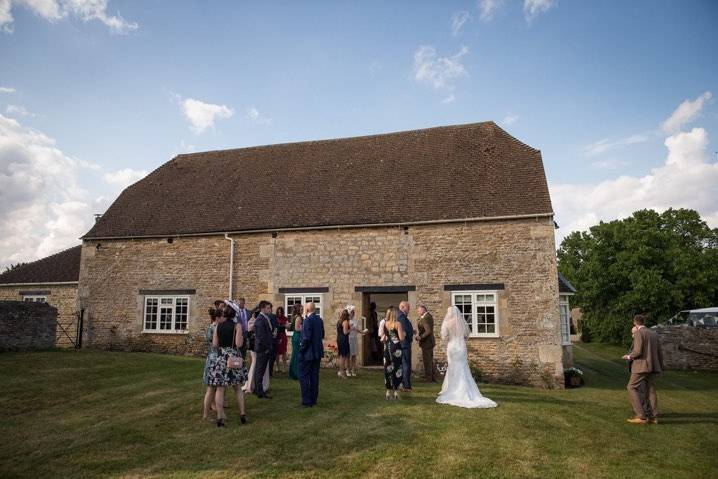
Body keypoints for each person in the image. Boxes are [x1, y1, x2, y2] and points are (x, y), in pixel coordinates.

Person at [436, 306, 497, 409]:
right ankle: (466, 389)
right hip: (461, 345)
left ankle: (453, 389)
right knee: (463, 366)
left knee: (452, 367)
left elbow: (444, 336)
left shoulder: (447, 323)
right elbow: (467, 334)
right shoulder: (460, 321)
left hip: (452, 346)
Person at [207, 307, 248, 426]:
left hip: (221, 358)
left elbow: (214, 344)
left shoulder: (218, 325)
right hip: (233, 358)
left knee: (220, 388)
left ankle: (220, 417)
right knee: (237, 388)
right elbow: (238, 344)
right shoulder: (237, 325)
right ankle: (242, 414)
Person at [622, 314, 664, 425]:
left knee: (631, 387)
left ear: (635, 323)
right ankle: (653, 417)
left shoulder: (638, 333)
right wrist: (660, 366)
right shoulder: (653, 334)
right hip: (653, 366)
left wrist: (629, 356)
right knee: (650, 390)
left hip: (641, 367)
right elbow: (659, 352)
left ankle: (640, 415)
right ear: (643, 322)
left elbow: (637, 351)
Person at [299, 302, 324, 407]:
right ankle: (313, 399)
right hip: (317, 352)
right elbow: (322, 334)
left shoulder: (307, 320)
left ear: (307, 310)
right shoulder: (319, 320)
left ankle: (306, 400)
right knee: (314, 376)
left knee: (303, 376)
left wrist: (301, 348)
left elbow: (306, 338)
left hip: (307, 353)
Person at [243, 307, 270, 395]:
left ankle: (259, 384)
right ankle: (251, 385)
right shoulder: (254, 321)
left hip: (258, 345)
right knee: (255, 364)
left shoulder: (259, 320)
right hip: (255, 346)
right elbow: (251, 331)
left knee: (258, 365)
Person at [252, 301, 275, 398]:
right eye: (267, 308)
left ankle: (258, 389)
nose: (269, 310)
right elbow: (261, 337)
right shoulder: (260, 319)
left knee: (260, 369)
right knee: (259, 370)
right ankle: (259, 391)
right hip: (262, 348)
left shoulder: (265, 318)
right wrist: (267, 348)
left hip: (265, 347)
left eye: (269, 308)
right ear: (262, 309)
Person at [382, 307, 405, 400]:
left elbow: (386, 336)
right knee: (397, 368)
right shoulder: (397, 324)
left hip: (387, 347)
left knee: (388, 368)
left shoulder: (385, 324)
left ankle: (388, 391)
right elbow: (401, 338)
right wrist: (404, 333)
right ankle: (396, 391)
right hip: (396, 348)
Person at [202, 307, 219, 420]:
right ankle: (206, 414)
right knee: (211, 388)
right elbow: (213, 344)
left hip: (213, 358)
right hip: (214, 359)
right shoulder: (213, 328)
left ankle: (214, 408)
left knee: (215, 388)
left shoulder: (213, 327)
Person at [415, 304, 436, 382]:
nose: (418, 311)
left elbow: (428, 331)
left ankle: (429, 378)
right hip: (430, 342)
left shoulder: (425, 318)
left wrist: (420, 337)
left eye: (419, 310)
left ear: (423, 309)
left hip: (426, 342)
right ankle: (432, 377)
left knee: (427, 361)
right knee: (430, 360)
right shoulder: (429, 316)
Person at [397, 301, 414, 391]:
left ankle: (404, 384)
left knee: (404, 364)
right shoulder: (401, 317)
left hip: (404, 344)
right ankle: (406, 385)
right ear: (403, 307)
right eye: (408, 308)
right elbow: (405, 331)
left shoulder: (402, 316)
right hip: (404, 344)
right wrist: (410, 336)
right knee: (406, 364)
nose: (409, 310)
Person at [346, 305, 365, 376]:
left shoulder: (355, 320)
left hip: (354, 338)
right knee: (348, 355)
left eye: (353, 312)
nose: (352, 314)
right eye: (351, 312)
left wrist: (362, 332)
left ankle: (353, 370)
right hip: (349, 338)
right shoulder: (346, 321)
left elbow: (356, 329)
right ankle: (347, 370)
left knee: (354, 355)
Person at [288, 304, 303, 380]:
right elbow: (297, 329)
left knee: (295, 354)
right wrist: (304, 328)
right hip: (297, 336)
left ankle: (293, 372)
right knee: (297, 355)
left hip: (295, 336)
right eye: (301, 309)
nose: (302, 310)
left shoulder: (295, 317)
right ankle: (296, 373)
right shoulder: (298, 317)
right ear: (297, 310)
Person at [336, 309, 351, 379]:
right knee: (343, 356)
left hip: (339, 338)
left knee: (341, 356)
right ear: (347, 315)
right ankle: (341, 372)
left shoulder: (339, 321)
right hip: (343, 339)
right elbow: (345, 332)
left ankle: (340, 371)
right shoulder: (345, 322)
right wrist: (351, 329)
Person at [275, 306, 289, 373]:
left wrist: (283, 325)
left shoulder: (285, 318)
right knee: (277, 352)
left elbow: (288, 326)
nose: (279, 313)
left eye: (281, 312)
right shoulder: (275, 318)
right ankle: (277, 367)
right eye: (278, 312)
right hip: (277, 336)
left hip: (283, 336)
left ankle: (284, 367)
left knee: (284, 352)